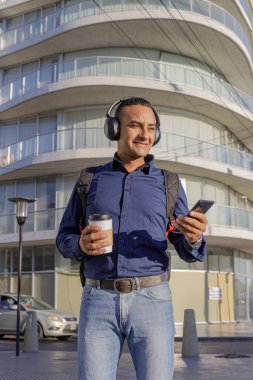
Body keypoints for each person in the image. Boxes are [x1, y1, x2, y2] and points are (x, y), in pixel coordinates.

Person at [56, 97, 208, 380]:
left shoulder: (169, 182)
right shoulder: (89, 179)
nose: (145, 134)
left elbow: (187, 249)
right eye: (135, 125)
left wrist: (194, 237)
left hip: (153, 300)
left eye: (151, 128)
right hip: (97, 299)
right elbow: (63, 236)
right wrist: (79, 244)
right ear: (114, 129)